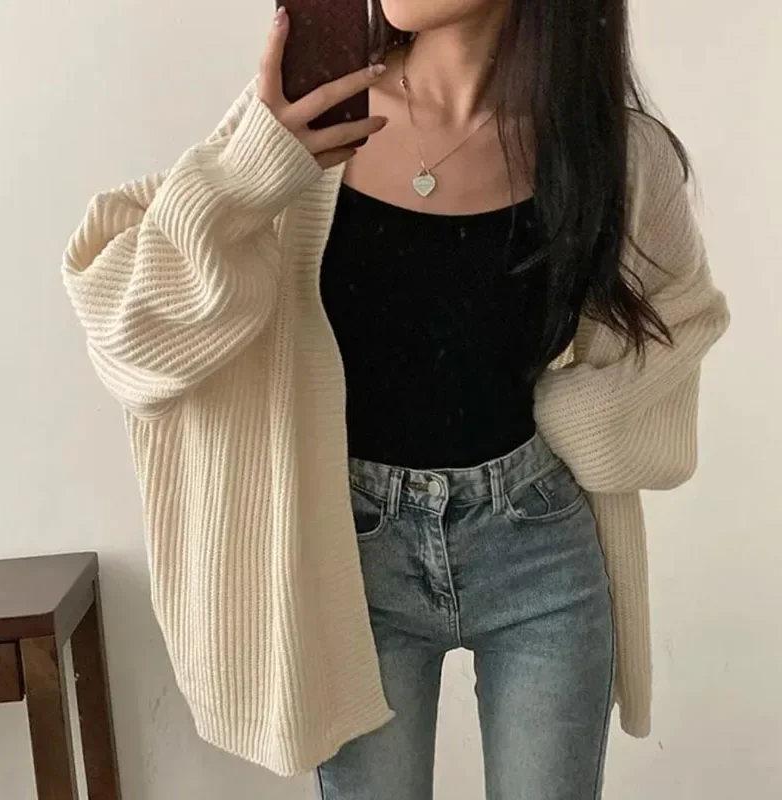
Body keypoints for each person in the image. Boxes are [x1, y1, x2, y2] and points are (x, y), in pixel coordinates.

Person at [61, 1, 729, 798]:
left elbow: (683, 317)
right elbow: (130, 337)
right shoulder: (314, 117)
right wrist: (246, 175)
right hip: (351, 562)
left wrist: (575, 417)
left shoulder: (608, 148)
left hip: (539, 550)